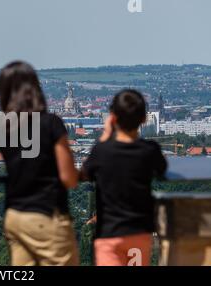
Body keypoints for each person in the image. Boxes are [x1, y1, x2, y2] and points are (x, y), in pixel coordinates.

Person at [0, 61, 79, 266]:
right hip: (47, 215)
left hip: (15, 216)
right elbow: (68, 178)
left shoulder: (1, 126)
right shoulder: (51, 123)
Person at [82, 89, 167, 266]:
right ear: (144, 119)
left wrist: (105, 137)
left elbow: (85, 173)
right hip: (137, 232)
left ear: (113, 118)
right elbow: (162, 168)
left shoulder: (102, 151)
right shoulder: (149, 150)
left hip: (108, 233)